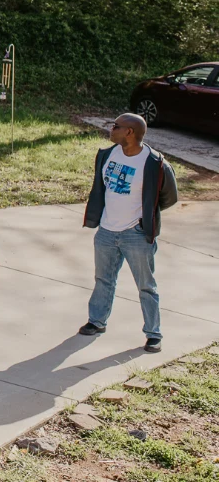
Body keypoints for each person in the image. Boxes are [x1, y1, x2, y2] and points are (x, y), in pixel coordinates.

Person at [78, 113, 178, 353]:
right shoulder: (106, 155)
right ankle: (97, 321)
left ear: (129, 133)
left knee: (146, 286)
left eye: (116, 126)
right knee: (103, 280)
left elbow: (168, 197)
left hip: (136, 233)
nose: (111, 129)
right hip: (106, 232)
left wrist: (145, 215)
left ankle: (153, 334)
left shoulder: (154, 163)